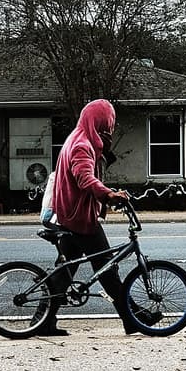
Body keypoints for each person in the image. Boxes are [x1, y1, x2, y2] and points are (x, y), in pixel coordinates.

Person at [42, 98, 140, 337]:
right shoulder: (82, 145)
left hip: (69, 215)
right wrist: (109, 195)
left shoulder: (77, 138)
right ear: (99, 122)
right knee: (107, 268)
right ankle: (133, 319)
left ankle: (42, 321)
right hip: (80, 218)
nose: (110, 129)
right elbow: (85, 178)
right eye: (108, 123)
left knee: (64, 271)